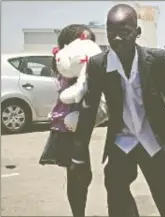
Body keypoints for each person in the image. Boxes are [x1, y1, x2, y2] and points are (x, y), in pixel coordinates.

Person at [70, 4, 165, 217]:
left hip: (153, 138)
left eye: (125, 33)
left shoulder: (155, 59)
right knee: (116, 190)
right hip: (123, 140)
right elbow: (89, 106)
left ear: (137, 33)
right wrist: (79, 151)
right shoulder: (98, 64)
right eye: (112, 34)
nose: (117, 39)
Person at [38, 24, 98, 217]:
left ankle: (78, 212)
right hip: (68, 127)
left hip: (75, 125)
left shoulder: (80, 66)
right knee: (79, 174)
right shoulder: (68, 67)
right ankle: (78, 213)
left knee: (80, 174)